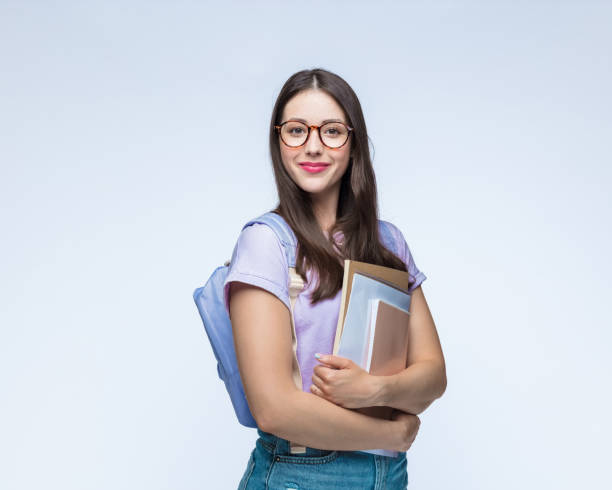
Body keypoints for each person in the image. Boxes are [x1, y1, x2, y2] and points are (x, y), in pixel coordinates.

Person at [223, 68, 447, 489]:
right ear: (278, 141)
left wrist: (372, 391)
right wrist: (390, 433)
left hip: (388, 475)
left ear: (353, 142)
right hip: (300, 474)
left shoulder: (387, 242)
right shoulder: (268, 244)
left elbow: (433, 377)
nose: (312, 146)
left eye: (330, 131)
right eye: (295, 130)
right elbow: (274, 409)